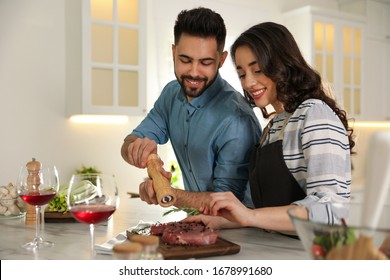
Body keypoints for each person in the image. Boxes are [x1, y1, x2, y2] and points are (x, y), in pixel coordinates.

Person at [184, 22, 355, 232]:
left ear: (283, 64)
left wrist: (250, 215)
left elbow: (332, 211)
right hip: (279, 247)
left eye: (258, 70)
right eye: (242, 74)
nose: (248, 83)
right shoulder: (273, 126)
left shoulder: (314, 114)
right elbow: (268, 211)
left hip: (314, 252)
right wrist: (225, 220)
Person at [120, 7, 261, 209]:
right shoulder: (171, 94)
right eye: (185, 60)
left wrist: (168, 193)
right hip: (197, 226)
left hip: (239, 234)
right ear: (173, 52)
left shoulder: (237, 119)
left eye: (205, 62)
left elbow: (227, 205)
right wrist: (136, 150)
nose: (194, 72)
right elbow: (131, 141)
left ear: (221, 60)